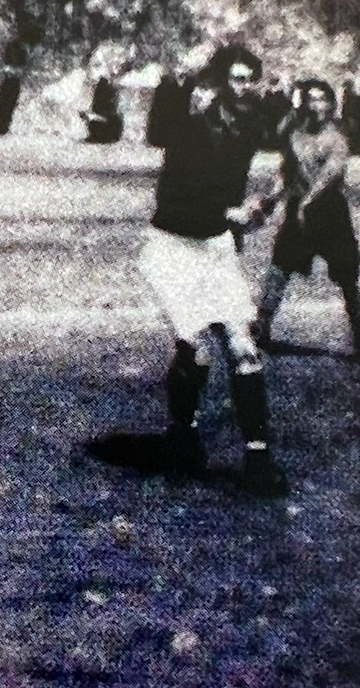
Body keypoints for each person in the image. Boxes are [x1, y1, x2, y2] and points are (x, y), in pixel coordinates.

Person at [137, 43, 288, 497]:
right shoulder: (192, 124)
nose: (244, 88)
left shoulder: (250, 126)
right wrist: (230, 212)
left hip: (216, 247)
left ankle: (258, 459)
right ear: (221, 82)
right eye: (236, 79)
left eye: (250, 80)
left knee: (244, 348)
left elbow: (287, 155)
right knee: (197, 348)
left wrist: (269, 200)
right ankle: (183, 434)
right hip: (174, 245)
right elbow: (174, 199)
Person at [254, 78, 360, 363]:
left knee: (347, 275)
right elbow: (285, 171)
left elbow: (329, 175)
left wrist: (306, 204)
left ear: (332, 104)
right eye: (311, 99)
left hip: (329, 211)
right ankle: (261, 328)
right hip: (299, 209)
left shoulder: (338, 137)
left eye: (322, 100)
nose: (316, 106)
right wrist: (271, 199)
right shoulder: (294, 134)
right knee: (280, 267)